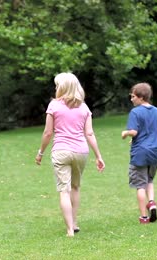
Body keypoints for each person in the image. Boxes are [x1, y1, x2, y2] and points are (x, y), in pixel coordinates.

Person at [35, 72, 105, 237]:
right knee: (75, 187)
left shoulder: (54, 106)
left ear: (63, 87)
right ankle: (74, 223)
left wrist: (40, 152)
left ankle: (69, 231)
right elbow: (89, 134)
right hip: (81, 152)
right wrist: (98, 156)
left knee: (64, 190)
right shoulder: (84, 107)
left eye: (57, 85)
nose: (56, 88)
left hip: (61, 151)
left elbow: (47, 133)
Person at [121, 83, 157, 224]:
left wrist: (125, 133)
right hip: (155, 152)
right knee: (149, 180)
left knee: (140, 185)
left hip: (140, 153)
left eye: (133, 96)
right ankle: (151, 202)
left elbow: (134, 131)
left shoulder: (135, 112)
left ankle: (144, 217)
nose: (131, 99)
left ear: (141, 97)